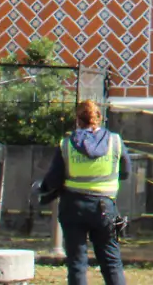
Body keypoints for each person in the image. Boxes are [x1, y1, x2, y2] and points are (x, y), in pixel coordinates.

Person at [38, 99, 133, 285]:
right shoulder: (115, 141)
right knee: (111, 261)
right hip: (104, 207)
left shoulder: (67, 144)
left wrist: (43, 189)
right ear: (99, 117)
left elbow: (54, 179)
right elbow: (126, 172)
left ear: (78, 120)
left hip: (73, 206)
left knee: (76, 262)